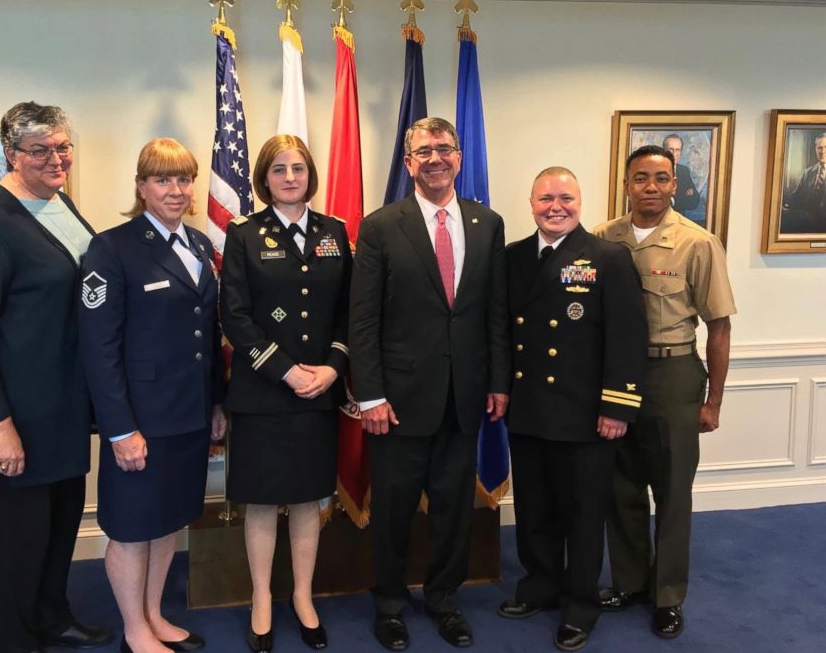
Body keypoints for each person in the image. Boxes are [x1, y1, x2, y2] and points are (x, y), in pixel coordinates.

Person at [0, 102, 111, 653]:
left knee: (59, 531)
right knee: (19, 545)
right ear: (11, 155)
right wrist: (0, 426)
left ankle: (51, 616)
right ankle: (14, 641)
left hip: (62, 412)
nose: (56, 158)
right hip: (13, 418)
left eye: (63, 146)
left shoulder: (59, 204)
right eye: (40, 150)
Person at [349, 117, 511, 651]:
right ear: (408, 161)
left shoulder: (487, 223)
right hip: (396, 401)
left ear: (459, 158)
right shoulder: (380, 226)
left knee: (453, 510)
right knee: (392, 511)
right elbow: (364, 319)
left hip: (464, 397)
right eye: (425, 151)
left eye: (445, 148)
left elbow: (494, 312)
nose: (436, 158)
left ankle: (444, 600)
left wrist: (497, 381)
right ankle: (390, 605)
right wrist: (369, 393)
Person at [79, 138, 226, 653]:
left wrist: (216, 403)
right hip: (140, 420)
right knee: (132, 527)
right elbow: (99, 351)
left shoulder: (202, 247)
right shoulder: (111, 248)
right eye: (163, 179)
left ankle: (154, 614)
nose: (176, 190)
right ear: (141, 187)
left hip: (188, 415)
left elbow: (207, 332)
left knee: (168, 521)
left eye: (184, 179)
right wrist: (120, 428)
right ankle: (134, 629)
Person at [497, 167, 646, 652]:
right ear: (531, 202)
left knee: (582, 514)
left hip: (586, 416)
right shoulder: (514, 257)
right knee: (535, 509)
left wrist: (618, 406)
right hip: (530, 409)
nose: (555, 206)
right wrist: (499, 389)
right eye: (545, 198)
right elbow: (501, 332)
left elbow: (627, 337)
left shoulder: (607, 257)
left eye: (565, 197)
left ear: (581, 201)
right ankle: (540, 585)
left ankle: (580, 604)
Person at [594, 145, 736, 640]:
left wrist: (713, 400)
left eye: (660, 178)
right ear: (627, 184)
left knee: (672, 490)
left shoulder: (697, 244)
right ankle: (630, 583)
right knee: (620, 484)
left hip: (671, 373)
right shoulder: (602, 237)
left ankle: (668, 596)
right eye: (640, 178)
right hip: (613, 376)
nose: (650, 187)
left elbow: (718, 326)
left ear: (675, 184)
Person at [221, 134, 352, 653]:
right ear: (264, 178)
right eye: (279, 169)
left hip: (318, 391)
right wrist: (285, 371)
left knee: (305, 500)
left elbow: (349, 311)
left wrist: (334, 366)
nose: (290, 177)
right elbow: (234, 314)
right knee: (261, 501)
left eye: (298, 167)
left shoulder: (336, 232)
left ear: (310, 174)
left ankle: (302, 597)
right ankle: (260, 599)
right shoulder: (244, 234)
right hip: (263, 393)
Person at [781, 132, 826, 233]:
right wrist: (783, 203)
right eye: (819, 148)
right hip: (807, 222)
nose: (822, 151)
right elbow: (797, 195)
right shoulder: (808, 172)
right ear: (815, 149)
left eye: (825, 147)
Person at [661, 135, 700, 213]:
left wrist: (673, 202)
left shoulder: (684, 171)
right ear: (664, 151)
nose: (674, 154)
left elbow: (695, 201)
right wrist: (683, 198)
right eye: (671, 149)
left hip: (680, 221)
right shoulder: (654, 171)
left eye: (678, 150)